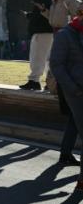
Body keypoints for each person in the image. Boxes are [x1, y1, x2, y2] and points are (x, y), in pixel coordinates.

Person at [49, 10, 83, 190]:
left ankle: (66, 153)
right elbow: (56, 64)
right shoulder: (66, 35)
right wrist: (72, 89)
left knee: (74, 123)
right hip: (76, 90)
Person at [20, 0, 54, 90]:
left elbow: (42, 15)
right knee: (48, 59)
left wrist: (31, 16)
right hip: (48, 31)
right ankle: (50, 83)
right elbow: (40, 15)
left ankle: (34, 81)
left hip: (42, 31)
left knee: (37, 57)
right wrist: (30, 15)